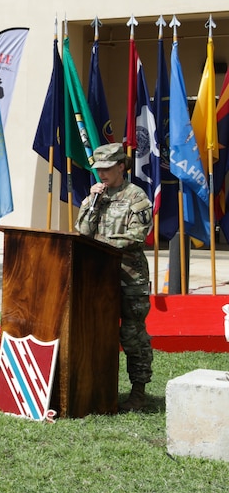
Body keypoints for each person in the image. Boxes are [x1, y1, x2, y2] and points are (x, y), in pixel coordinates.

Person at [75, 142, 154, 412]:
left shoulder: (137, 197)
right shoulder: (95, 196)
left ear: (122, 166)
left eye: (107, 169)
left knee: (132, 335)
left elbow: (137, 237)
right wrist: (92, 202)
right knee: (96, 332)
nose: (102, 175)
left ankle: (138, 391)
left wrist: (102, 244)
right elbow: (82, 232)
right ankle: (98, 387)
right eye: (99, 170)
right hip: (97, 278)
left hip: (129, 278)